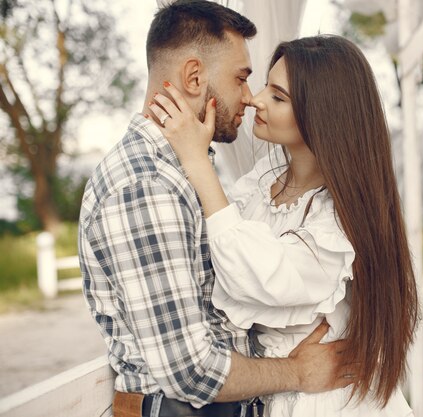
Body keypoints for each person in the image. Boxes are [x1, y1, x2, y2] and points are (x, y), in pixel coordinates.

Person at [78, 2, 353, 417]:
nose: (249, 97)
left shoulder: (180, 170)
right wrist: (297, 372)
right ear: (194, 77)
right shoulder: (147, 185)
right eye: (241, 78)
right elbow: (191, 370)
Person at [148, 35, 421, 416]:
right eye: (264, 86)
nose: (255, 99)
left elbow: (252, 274)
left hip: (327, 402)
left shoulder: (337, 223)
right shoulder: (264, 181)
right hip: (281, 389)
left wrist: (197, 161)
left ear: (322, 115)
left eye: (278, 97)